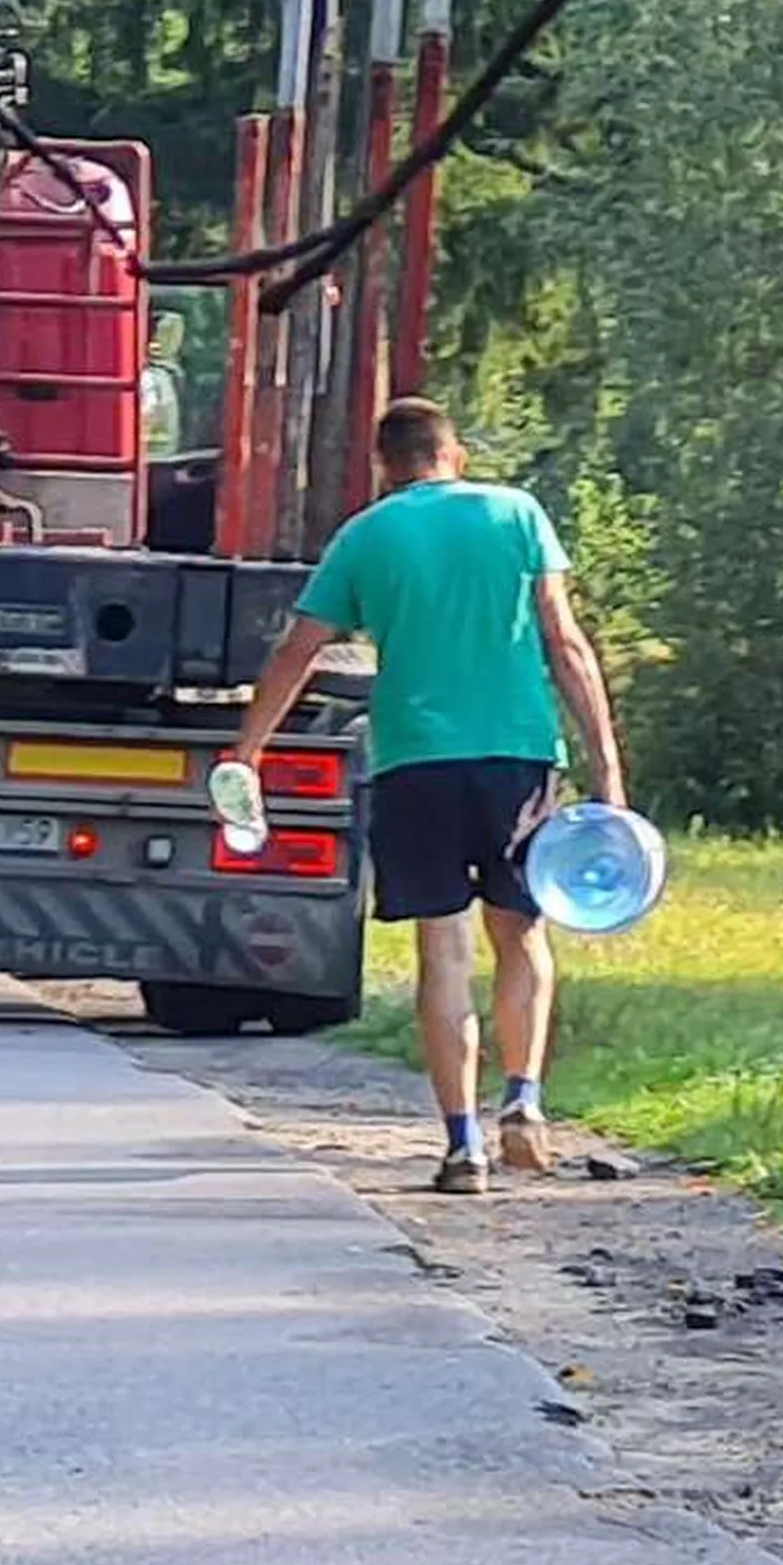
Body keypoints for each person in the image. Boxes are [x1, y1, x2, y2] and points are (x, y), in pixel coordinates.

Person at [231, 396, 625, 1197]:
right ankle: (524, 1100)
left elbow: (298, 651)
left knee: (443, 950)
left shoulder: (367, 534)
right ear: (457, 455)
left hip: (416, 763)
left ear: (386, 465)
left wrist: (247, 750)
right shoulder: (516, 514)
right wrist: (609, 773)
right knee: (521, 936)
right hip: (517, 755)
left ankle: (462, 1147)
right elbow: (565, 640)